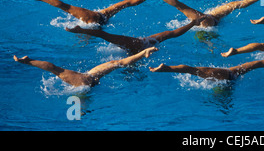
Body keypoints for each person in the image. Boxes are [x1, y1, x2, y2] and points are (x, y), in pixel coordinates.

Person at [13, 47, 158, 87]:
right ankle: (28, 61)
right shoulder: (83, 82)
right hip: (87, 79)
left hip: (88, 79)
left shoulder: (84, 83)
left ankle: (28, 61)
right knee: (117, 63)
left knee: (57, 70)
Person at [66, 17, 206, 54]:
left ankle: (81, 30)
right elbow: (175, 33)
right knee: (105, 36)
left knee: (106, 36)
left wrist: (193, 23)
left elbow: (175, 33)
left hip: (136, 46)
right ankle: (81, 30)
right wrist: (192, 23)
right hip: (135, 45)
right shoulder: (150, 42)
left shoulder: (149, 42)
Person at [142, 0, 264, 28]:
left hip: (208, 21)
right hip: (210, 20)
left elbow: (178, 5)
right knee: (234, 5)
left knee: (181, 8)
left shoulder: (199, 20)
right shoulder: (203, 20)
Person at [25, 0, 165, 25]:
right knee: (127, 3)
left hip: (95, 19)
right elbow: (130, 3)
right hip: (101, 18)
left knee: (67, 8)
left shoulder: (91, 19)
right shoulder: (105, 16)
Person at [150, 47, 264, 81]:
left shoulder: (224, 77)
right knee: (256, 64)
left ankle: (166, 69)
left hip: (227, 76)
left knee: (194, 71)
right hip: (228, 75)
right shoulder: (228, 75)